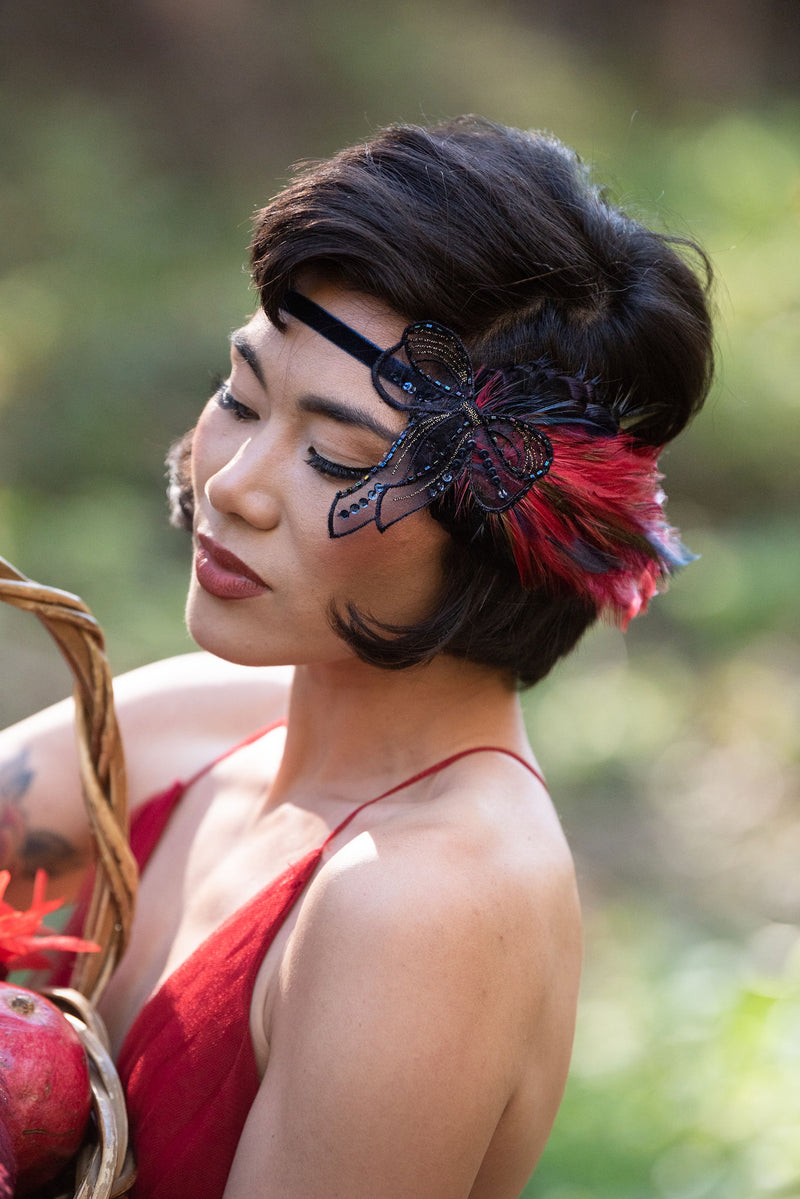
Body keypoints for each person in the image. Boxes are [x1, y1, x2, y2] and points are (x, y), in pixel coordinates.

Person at [0, 116, 713, 1199]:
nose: (233, 479)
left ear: (494, 537)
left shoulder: (425, 903)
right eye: (240, 394)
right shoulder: (197, 722)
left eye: (336, 456)